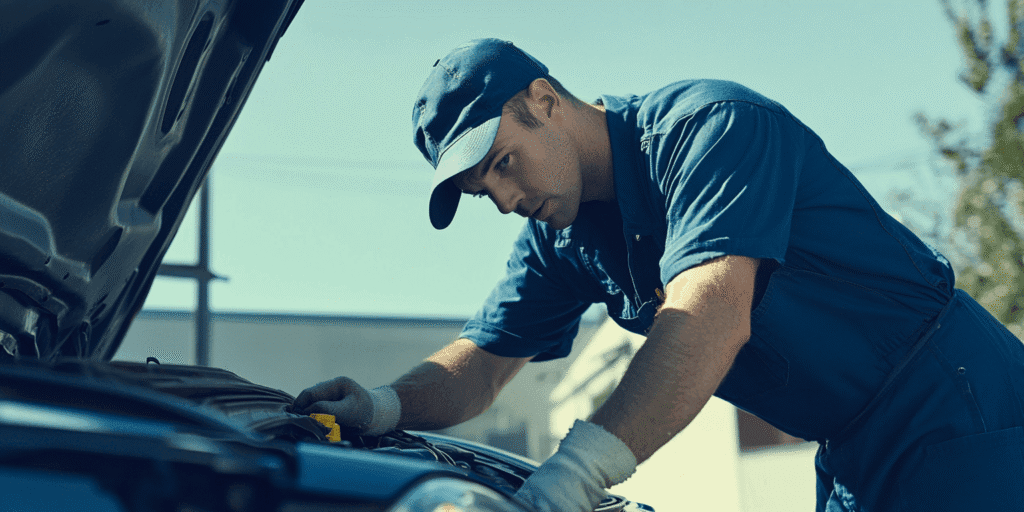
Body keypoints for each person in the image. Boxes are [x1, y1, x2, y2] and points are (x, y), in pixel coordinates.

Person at [294, 39, 1024, 511]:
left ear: (545, 101)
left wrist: (570, 478)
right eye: (488, 191)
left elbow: (709, 314)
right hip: (847, 450)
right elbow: (479, 368)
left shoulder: (713, 130)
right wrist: (382, 406)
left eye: (504, 163)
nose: (508, 200)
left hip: (953, 401)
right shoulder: (562, 235)